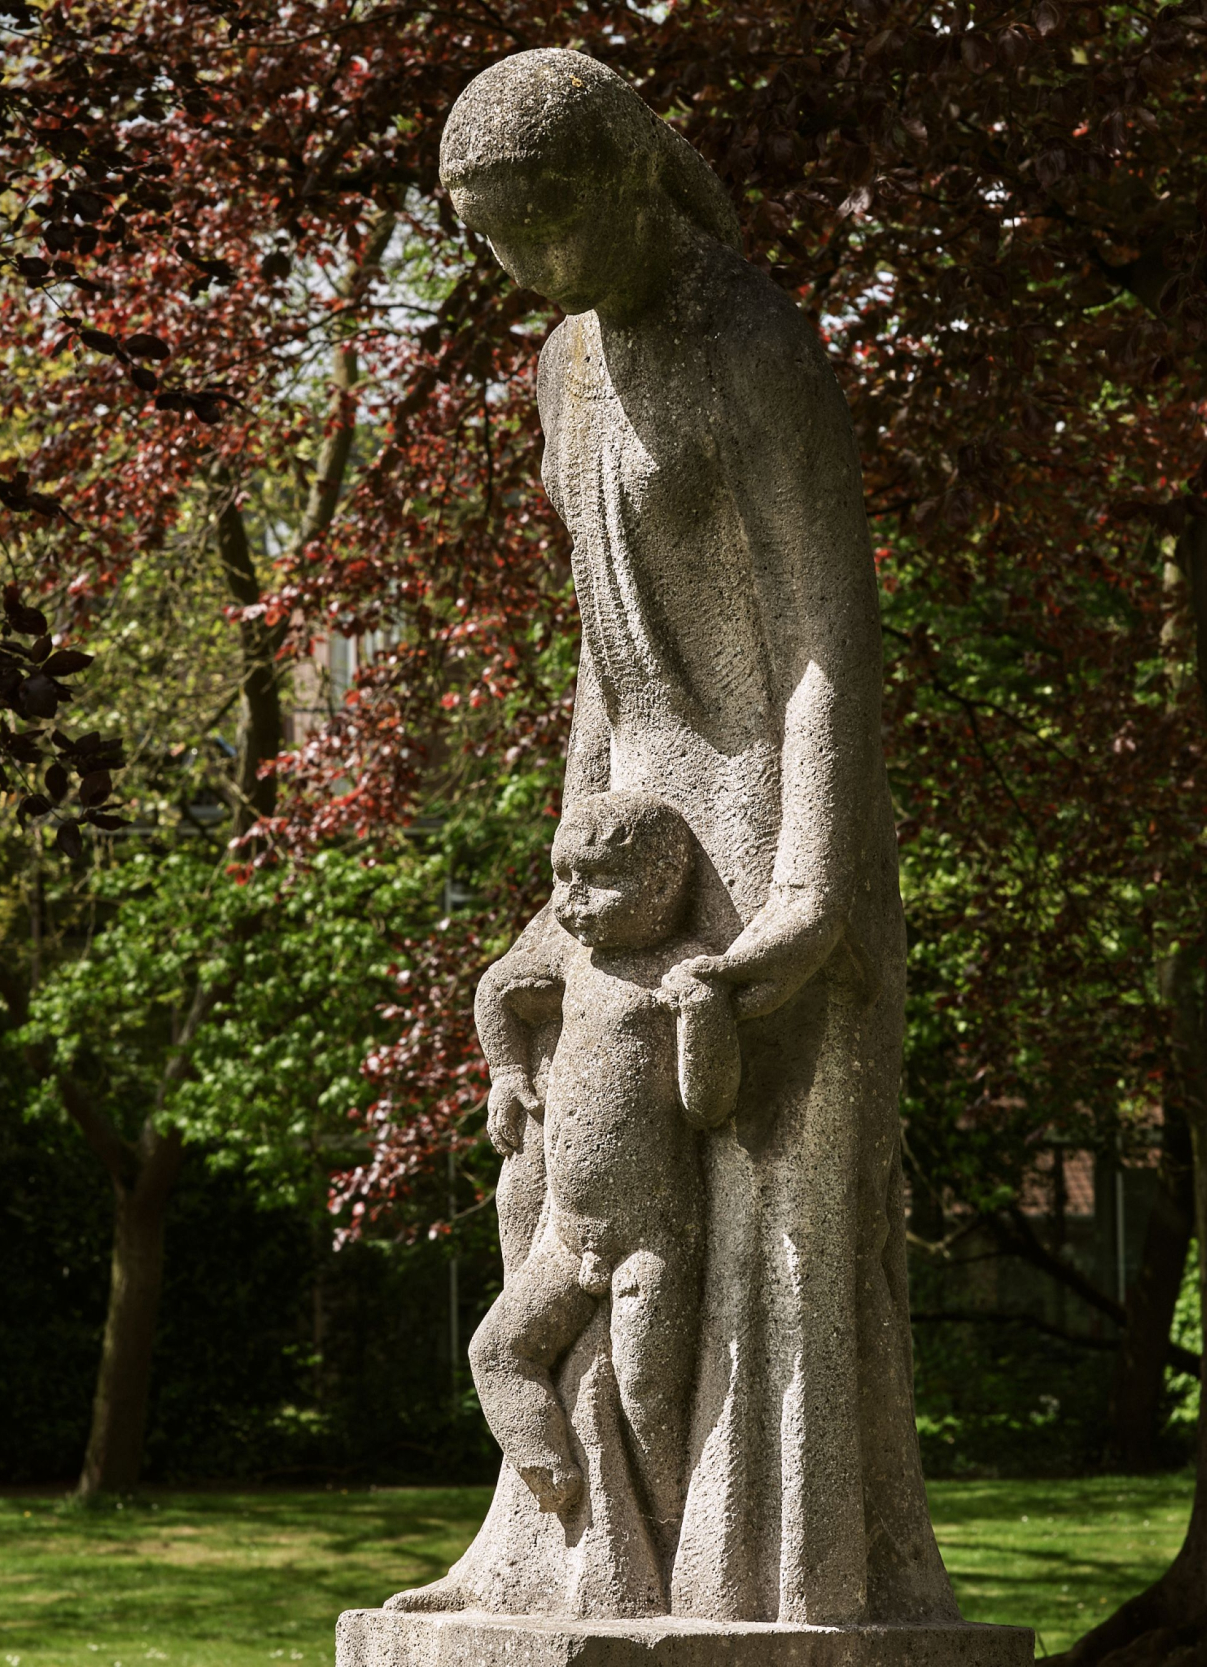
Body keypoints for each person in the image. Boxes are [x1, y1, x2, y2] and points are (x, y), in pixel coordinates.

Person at [387, 48, 958, 1626]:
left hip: (770, 813)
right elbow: (601, 651)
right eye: (495, 240)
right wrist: (555, 869)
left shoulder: (751, 347)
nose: (527, 267)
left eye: (544, 224)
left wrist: (813, 891)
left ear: (631, 177)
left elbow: (827, 641)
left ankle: (755, 1577)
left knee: (768, 1214)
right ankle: (557, 1553)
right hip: (627, 831)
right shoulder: (562, 369)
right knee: (550, 1178)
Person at [469, 790, 740, 1546]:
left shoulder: (682, 968)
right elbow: (496, 990)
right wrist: (505, 1073)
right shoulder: (569, 955)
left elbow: (708, 1105)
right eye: (564, 878)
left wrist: (702, 1016)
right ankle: (551, 1473)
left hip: (649, 1237)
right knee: (496, 1352)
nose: (573, 901)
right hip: (565, 1234)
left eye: (597, 882)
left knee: (647, 1391)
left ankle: (672, 1531)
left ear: (663, 885)